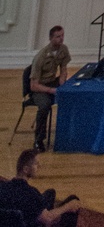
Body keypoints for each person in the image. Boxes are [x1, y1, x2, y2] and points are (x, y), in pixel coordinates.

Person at [0, 151, 77, 227]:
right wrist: (68, 206)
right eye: (36, 164)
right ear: (26, 169)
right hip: (30, 220)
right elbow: (48, 219)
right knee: (73, 199)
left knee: (50, 192)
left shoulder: (2, 187)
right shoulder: (31, 194)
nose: (39, 166)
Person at [29, 24, 71, 152]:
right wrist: (51, 91)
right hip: (40, 87)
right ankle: (38, 140)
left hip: (53, 81)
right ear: (51, 38)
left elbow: (63, 68)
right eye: (58, 36)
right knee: (44, 106)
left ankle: (67, 134)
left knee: (70, 95)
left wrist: (62, 80)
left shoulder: (63, 49)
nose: (61, 39)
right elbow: (33, 85)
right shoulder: (40, 57)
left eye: (62, 35)